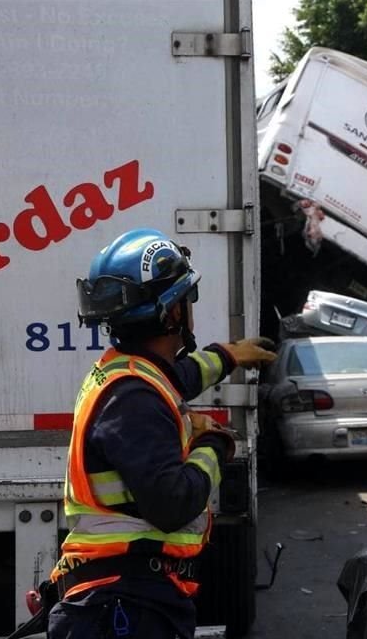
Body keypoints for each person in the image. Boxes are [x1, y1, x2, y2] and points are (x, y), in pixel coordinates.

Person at [48, 228, 277, 639]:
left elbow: (179, 377)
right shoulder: (134, 396)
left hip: (123, 598)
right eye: (188, 300)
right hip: (127, 606)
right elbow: (171, 502)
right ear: (173, 313)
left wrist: (227, 356)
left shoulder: (131, 372)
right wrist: (213, 444)